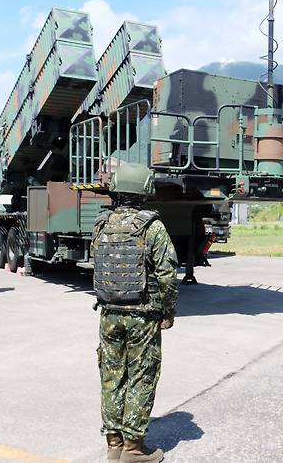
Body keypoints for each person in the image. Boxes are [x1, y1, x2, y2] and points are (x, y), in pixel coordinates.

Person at [91, 163, 178, 463]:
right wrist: (168, 310)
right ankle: (133, 449)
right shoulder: (151, 226)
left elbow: (97, 262)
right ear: (144, 190)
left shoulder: (101, 224)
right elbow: (167, 274)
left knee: (111, 376)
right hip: (142, 315)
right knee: (142, 376)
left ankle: (113, 444)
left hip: (108, 314)